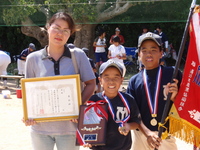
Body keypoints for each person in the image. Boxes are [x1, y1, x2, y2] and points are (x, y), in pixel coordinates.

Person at [22, 12, 96, 150]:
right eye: (56, 28)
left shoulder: (78, 55)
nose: (60, 33)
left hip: (69, 129)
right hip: (40, 130)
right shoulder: (32, 59)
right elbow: (29, 93)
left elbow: (91, 83)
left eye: (65, 31)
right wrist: (28, 114)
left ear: (70, 34)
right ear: (48, 27)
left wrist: (78, 106)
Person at [127, 32, 182, 150]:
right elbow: (133, 113)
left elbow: (185, 103)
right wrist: (147, 133)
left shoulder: (173, 74)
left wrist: (175, 98)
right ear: (139, 54)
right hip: (141, 135)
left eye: (153, 49)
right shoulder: (134, 81)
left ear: (161, 53)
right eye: (144, 50)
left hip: (165, 136)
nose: (149, 54)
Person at [83, 60, 141, 150]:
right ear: (100, 80)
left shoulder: (129, 100)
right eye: (106, 77)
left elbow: (136, 122)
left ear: (122, 80)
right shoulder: (93, 100)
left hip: (123, 147)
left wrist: (128, 126)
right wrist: (87, 139)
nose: (111, 81)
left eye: (116, 77)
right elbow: (87, 124)